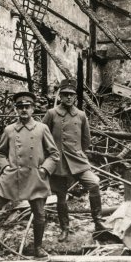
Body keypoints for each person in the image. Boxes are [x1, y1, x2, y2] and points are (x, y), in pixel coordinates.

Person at [0, 91, 59, 257]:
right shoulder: (9, 130)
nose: (24, 110)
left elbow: (54, 154)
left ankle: (38, 248)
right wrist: (4, 168)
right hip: (11, 177)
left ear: (33, 109)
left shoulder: (42, 128)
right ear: (16, 109)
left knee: (39, 214)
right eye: (20, 107)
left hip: (34, 177)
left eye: (27, 106)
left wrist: (45, 169)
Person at [42, 79, 107, 242]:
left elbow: (86, 140)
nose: (69, 97)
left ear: (75, 97)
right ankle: (64, 228)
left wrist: (77, 152)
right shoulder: (51, 114)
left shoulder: (81, 115)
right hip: (58, 161)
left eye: (71, 95)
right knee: (61, 196)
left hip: (77, 160)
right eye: (65, 95)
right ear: (60, 96)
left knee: (94, 184)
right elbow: (42, 136)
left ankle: (98, 223)